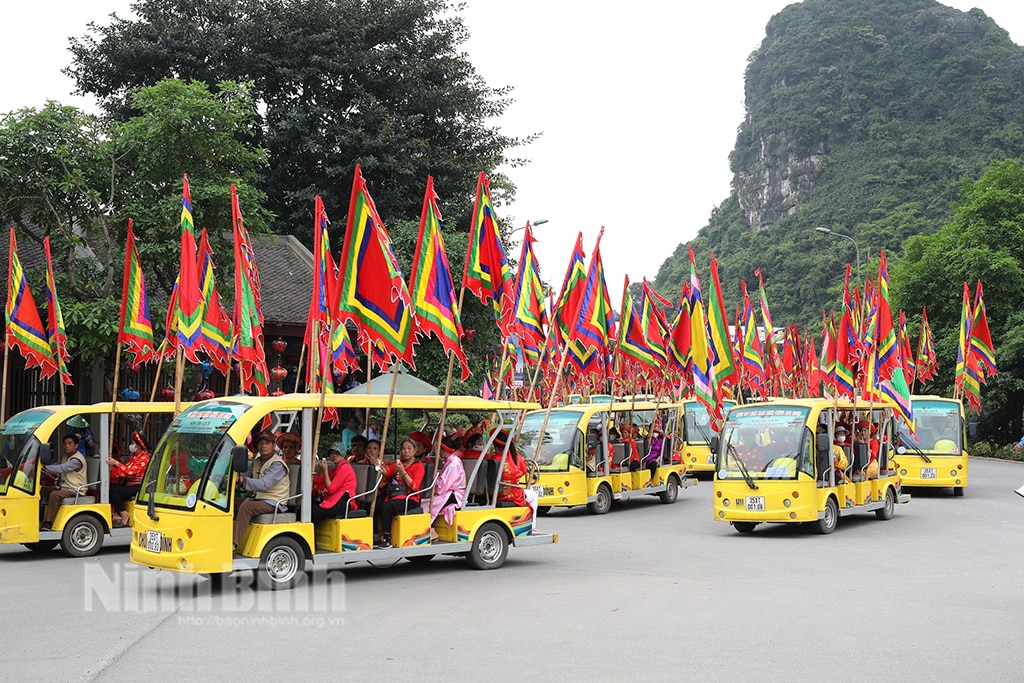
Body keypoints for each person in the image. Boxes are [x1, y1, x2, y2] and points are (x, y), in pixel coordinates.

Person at [233, 431, 290, 551]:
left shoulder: (277, 464)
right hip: (259, 499)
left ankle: (233, 546)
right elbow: (245, 475)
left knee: (246, 507)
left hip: (274, 501)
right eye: (261, 443)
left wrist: (243, 480)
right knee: (229, 503)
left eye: (267, 443)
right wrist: (229, 479)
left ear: (274, 446)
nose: (263, 446)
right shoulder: (257, 462)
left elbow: (265, 484)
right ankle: (223, 538)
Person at [374, 438, 424, 548]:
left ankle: (387, 538)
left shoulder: (418, 466)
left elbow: (415, 487)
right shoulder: (399, 463)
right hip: (394, 495)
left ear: (415, 451)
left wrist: (403, 472)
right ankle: (376, 535)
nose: (406, 451)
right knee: (375, 503)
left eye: (409, 448)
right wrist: (381, 467)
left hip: (409, 499)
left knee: (387, 507)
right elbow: (387, 472)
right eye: (404, 449)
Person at [421, 435, 466, 538]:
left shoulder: (453, 464)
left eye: (438, 448)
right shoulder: (449, 461)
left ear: (444, 449)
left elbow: (442, 487)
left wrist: (435, 478)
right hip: (447, 492)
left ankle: (429, 530)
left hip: (453, 494)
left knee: (426, 503)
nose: (436, 450)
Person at [40, 435, 88, 530]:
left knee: (55, 494)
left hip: (76, 489)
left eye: (70, 443)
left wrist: (42, 468)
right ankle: (40, 515)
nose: (66, 446)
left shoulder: (76, 460)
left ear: (76, 445)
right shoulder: (66, 457)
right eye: (65, 443)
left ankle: (48, 522)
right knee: (42, 490)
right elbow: (57, 465)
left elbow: (61, 468)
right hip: (65, 488)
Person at [494, 430, 539, 528]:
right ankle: (533, 526)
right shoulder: (515, 458)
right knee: (533, 496)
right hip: (510, 495)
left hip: (494, 494)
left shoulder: (492, 458)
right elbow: (522, 470)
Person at [106, 431, 150, 528]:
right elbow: (123, 471)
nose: (131, 445)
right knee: (111, 487)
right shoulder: (133, 458)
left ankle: (123, 513)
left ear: (138, 446)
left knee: (113, 490)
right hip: (129, 484)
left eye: (133, 443)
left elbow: (131, 471)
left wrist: (116, 463)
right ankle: (116, 513)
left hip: (138, 486)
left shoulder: (144, 457)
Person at [312, 445, 357, 524]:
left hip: (343, 503)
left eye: (337, 454)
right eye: (332, 454)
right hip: (336, 501)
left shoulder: (345, 468)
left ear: (342, 454)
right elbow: (320, 480)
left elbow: (331, 489)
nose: (334, 456)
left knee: (312, 511)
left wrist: (325, 470)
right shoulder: (337, 468)